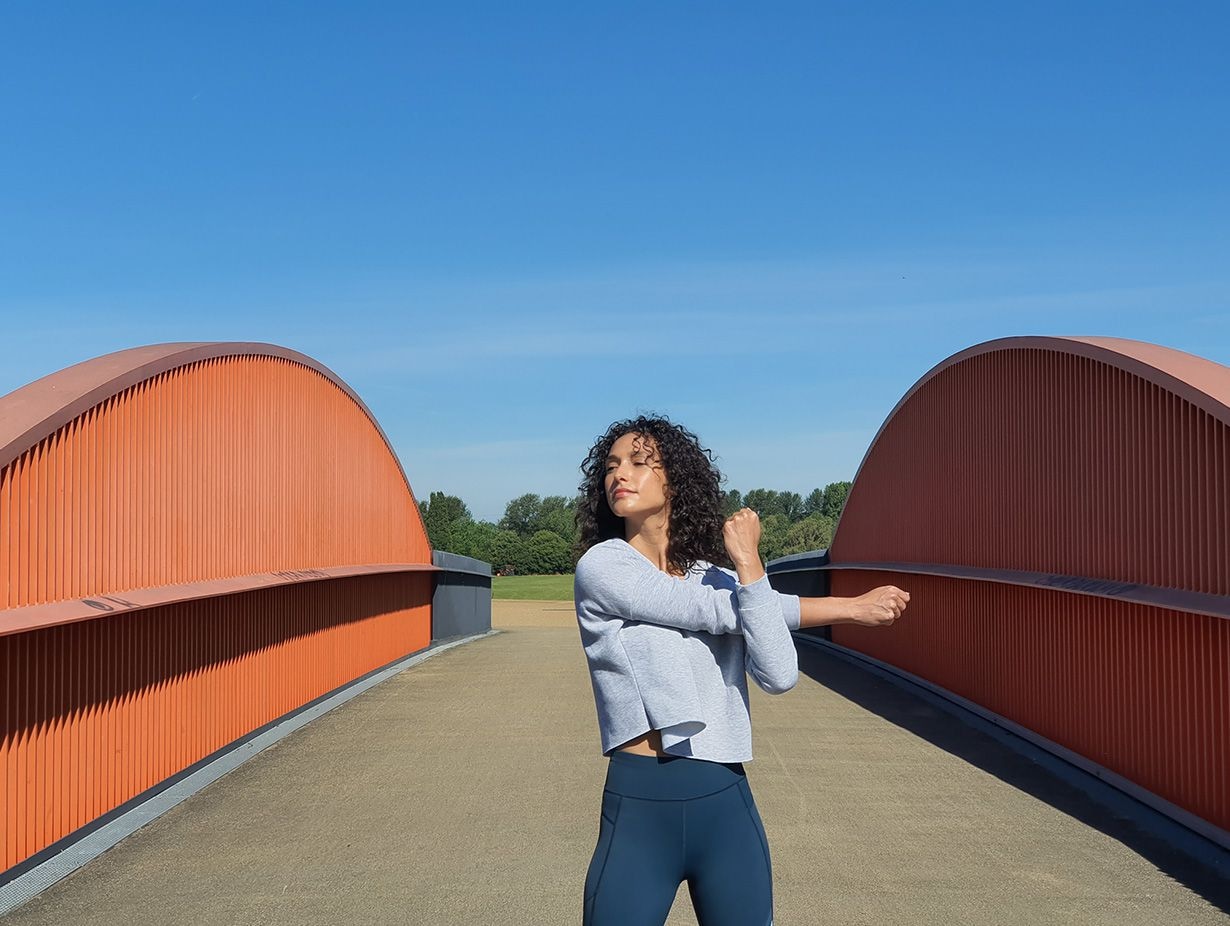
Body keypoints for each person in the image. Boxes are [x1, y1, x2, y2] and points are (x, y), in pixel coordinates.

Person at [573, 414, 909, 926]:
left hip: (725, 798)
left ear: (675, 481)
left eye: (640, 463)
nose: (620, 474)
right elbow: (706, 609)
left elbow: (779, 674)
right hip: (642, 798)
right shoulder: (603, 566)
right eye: (612, 465)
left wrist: (751, 569)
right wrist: (840, 607)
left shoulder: (722, 578)